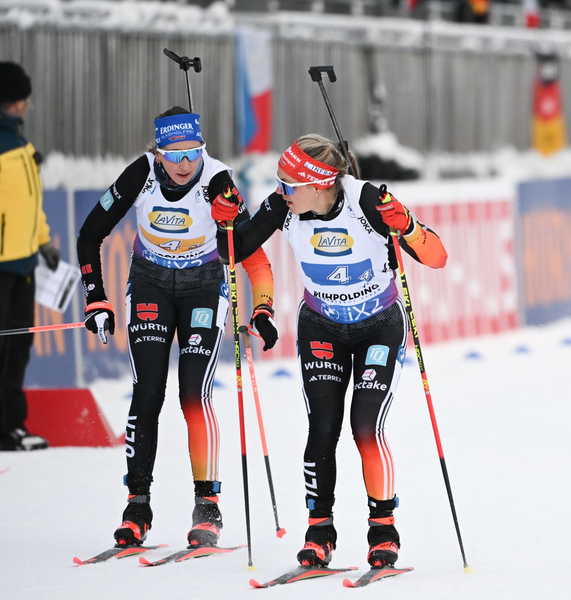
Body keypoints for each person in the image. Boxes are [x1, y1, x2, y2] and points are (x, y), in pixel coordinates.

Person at [214, 134, 448, 568]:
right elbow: (231, 251)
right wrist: (224, 222)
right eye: (278, 182)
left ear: (319, 183)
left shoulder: (367, 201)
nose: (280, 190)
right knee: (322, 428)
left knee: (365, 427)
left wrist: (408, 227)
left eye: (288, 183)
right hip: (321, 325)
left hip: (379, 326)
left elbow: (437, 257)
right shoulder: (283, 206)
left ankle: (383, 531)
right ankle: (319, 531)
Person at [76, 106, 278, 547]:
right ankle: (137, 505)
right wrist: (96, 297)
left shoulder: (218, 181)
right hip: (149, 282)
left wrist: (263, 308)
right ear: (158, 153)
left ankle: (208, 505)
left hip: (203, 286)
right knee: (148, 390)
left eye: (193, 152)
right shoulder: (141, 175)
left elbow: (253, 256)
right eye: (174, 155)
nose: (185, 164)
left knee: (193, 393)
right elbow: (90, 235)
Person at [0, 62, 60, 452]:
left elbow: (30, 204)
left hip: (23, 264)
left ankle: (11, 425)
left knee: (18, 347)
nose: (24, 105)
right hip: (2, 265)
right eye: (19, 99)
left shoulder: (20, 143)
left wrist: (43, 242)